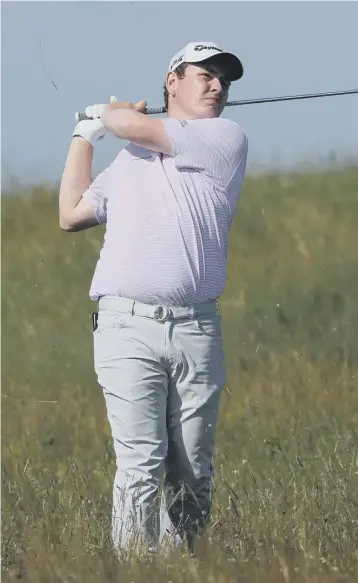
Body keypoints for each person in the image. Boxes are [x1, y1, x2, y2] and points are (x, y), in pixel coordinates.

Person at [59, 41, 248, 556]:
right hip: (126, 325)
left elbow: (131, 126)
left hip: (196, 328)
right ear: (173, 81)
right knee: (140, 461)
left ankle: (185, 564)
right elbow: (71, 213)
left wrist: (109, 114)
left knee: (191, 466)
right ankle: (136, 568)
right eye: (205, 75)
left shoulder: (224, 137)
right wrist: (84, 134)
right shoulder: (130, 158)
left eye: (224, 81)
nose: (217, 86)